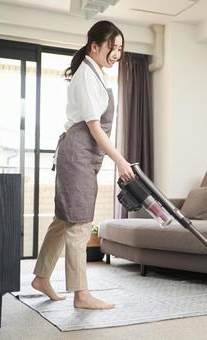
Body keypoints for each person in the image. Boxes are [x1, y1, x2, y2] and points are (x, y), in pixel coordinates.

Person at [31, 21, 135, 310]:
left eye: (120, 50)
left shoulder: (95, 74)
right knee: (78, 224)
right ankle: (81, 294)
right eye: (112, 48)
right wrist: (120, 160)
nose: (116, 54)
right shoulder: (87, 76)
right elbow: (94, 127)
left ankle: (41, 277)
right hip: (78, 151)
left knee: (64, 220)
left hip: (79, 153)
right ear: (95, 46)